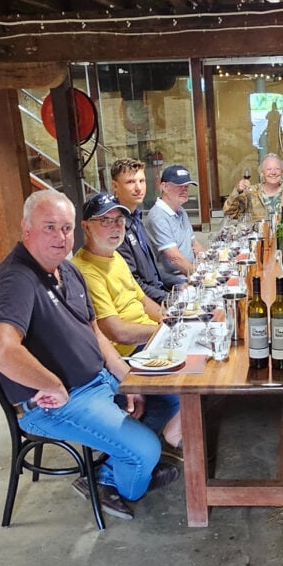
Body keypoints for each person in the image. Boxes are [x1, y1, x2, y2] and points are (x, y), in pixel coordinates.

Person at [0, 189, 179, 521]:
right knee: (147, 451)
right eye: (49, 227)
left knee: (167, 398)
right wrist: (52, 384)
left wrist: (125, 378)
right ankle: (106, 480)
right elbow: (0, 349)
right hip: (59, 401)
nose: (60, 237)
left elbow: (94, 331)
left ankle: (124, 460)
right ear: (25, 227)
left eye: (66, 228)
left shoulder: (67, 269)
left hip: (98, 381)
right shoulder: (16, 279)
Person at [72, 191, 183, 458]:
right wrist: (164, 331)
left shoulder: (113, 255)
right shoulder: (86, 269)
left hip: (145, 343)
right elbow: (115, 331)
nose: (114, 227)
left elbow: (142, 299)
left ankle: (171, 434)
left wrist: (172, 320)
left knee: (202, 353)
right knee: (187, 383)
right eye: (105, 221)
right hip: (122, 356)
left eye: (119, 220)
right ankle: (149, 447)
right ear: (86, 226)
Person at [110, 158, 168, 304]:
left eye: (141, 181)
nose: (138, 188)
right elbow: (134, 284)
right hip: (146, 305)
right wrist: (169, 299)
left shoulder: (136, 218)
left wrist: (183, 287)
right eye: (130, 182)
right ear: (115, 186)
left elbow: (154, 273)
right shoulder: (116, 228)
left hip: (159, 294)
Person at [146, 164, 206, 287]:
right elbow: (175, 259)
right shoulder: (158, 217)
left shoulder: (180, 210)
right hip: (176, 281)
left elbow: (194, 244)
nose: (185, 190)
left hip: (189, 271)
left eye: (186, 186)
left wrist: (209, 263)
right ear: (164, 187)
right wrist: (202, 277)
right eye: (180, 186)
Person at [222, 153, 283, 221]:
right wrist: (237, 192)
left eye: (277, 169)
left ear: (281, 171)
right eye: (269, 169)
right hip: (257, 237)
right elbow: (229, 214)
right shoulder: (251, 192)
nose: (273, 172)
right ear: (262, 172)